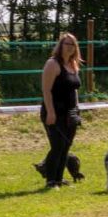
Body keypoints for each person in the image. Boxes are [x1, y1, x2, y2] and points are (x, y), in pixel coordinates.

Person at [34, 33, 82, 188]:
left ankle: (59, 179)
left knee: (66, 146)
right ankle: (50, 180)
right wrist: (51, 112)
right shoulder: (52, 64)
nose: (70, 47)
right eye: (67, 44)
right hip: (54, 111)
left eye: (72, 45)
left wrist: (77, 108)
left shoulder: (73, 65)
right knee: (57, 146)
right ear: (60, 46)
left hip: (70, 113)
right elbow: (46, 90)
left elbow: (74, 89)